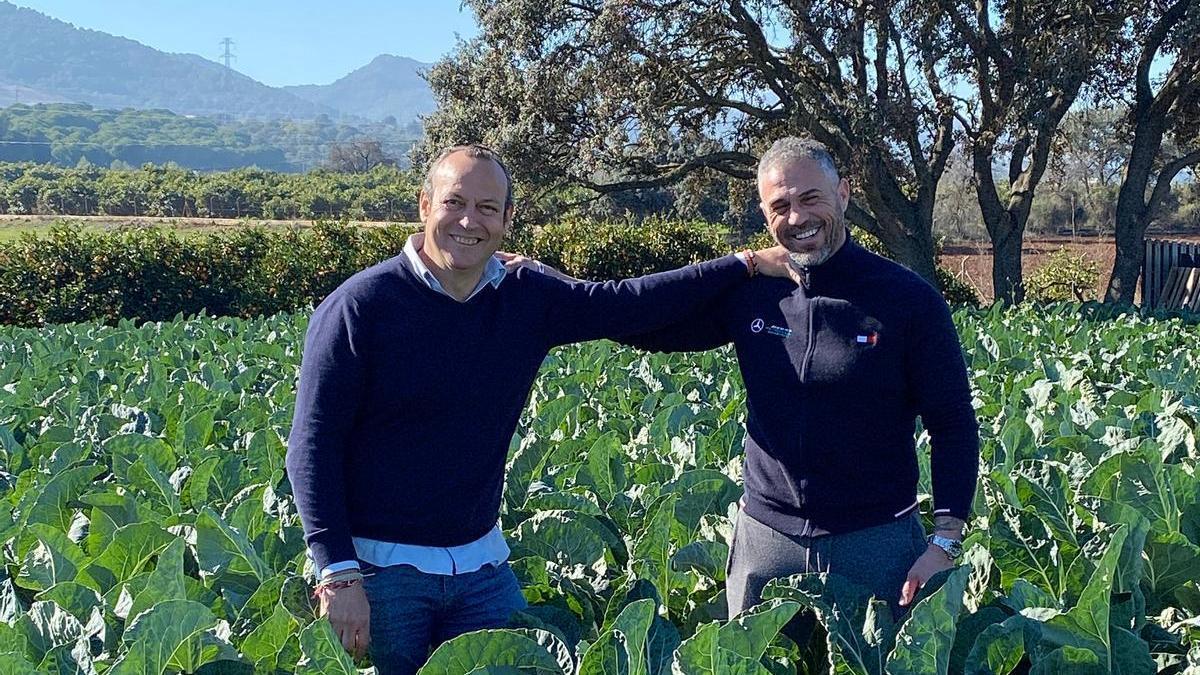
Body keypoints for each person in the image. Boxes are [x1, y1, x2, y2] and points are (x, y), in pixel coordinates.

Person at [285, 143, 799, 675]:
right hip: (380, 573)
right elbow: (311, 448)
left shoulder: (526, 297)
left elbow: (627, 303)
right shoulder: (361, 306)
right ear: (424, 205)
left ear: (508, 219)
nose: (469, 220)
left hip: (481, 567)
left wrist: (743, 265)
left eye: (487, 208)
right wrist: (338, 574)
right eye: (454, 202)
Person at [618, 136, 980, 619]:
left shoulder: (907, 299)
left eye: (811, 199)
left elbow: (952, 420)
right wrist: (738, 264)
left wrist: (945, 542)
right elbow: (641, 323)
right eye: (780, 206)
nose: (797, 218)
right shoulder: (751, 294)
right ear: (765, 214)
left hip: (875, 545)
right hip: (766, 543)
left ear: (844, 195)